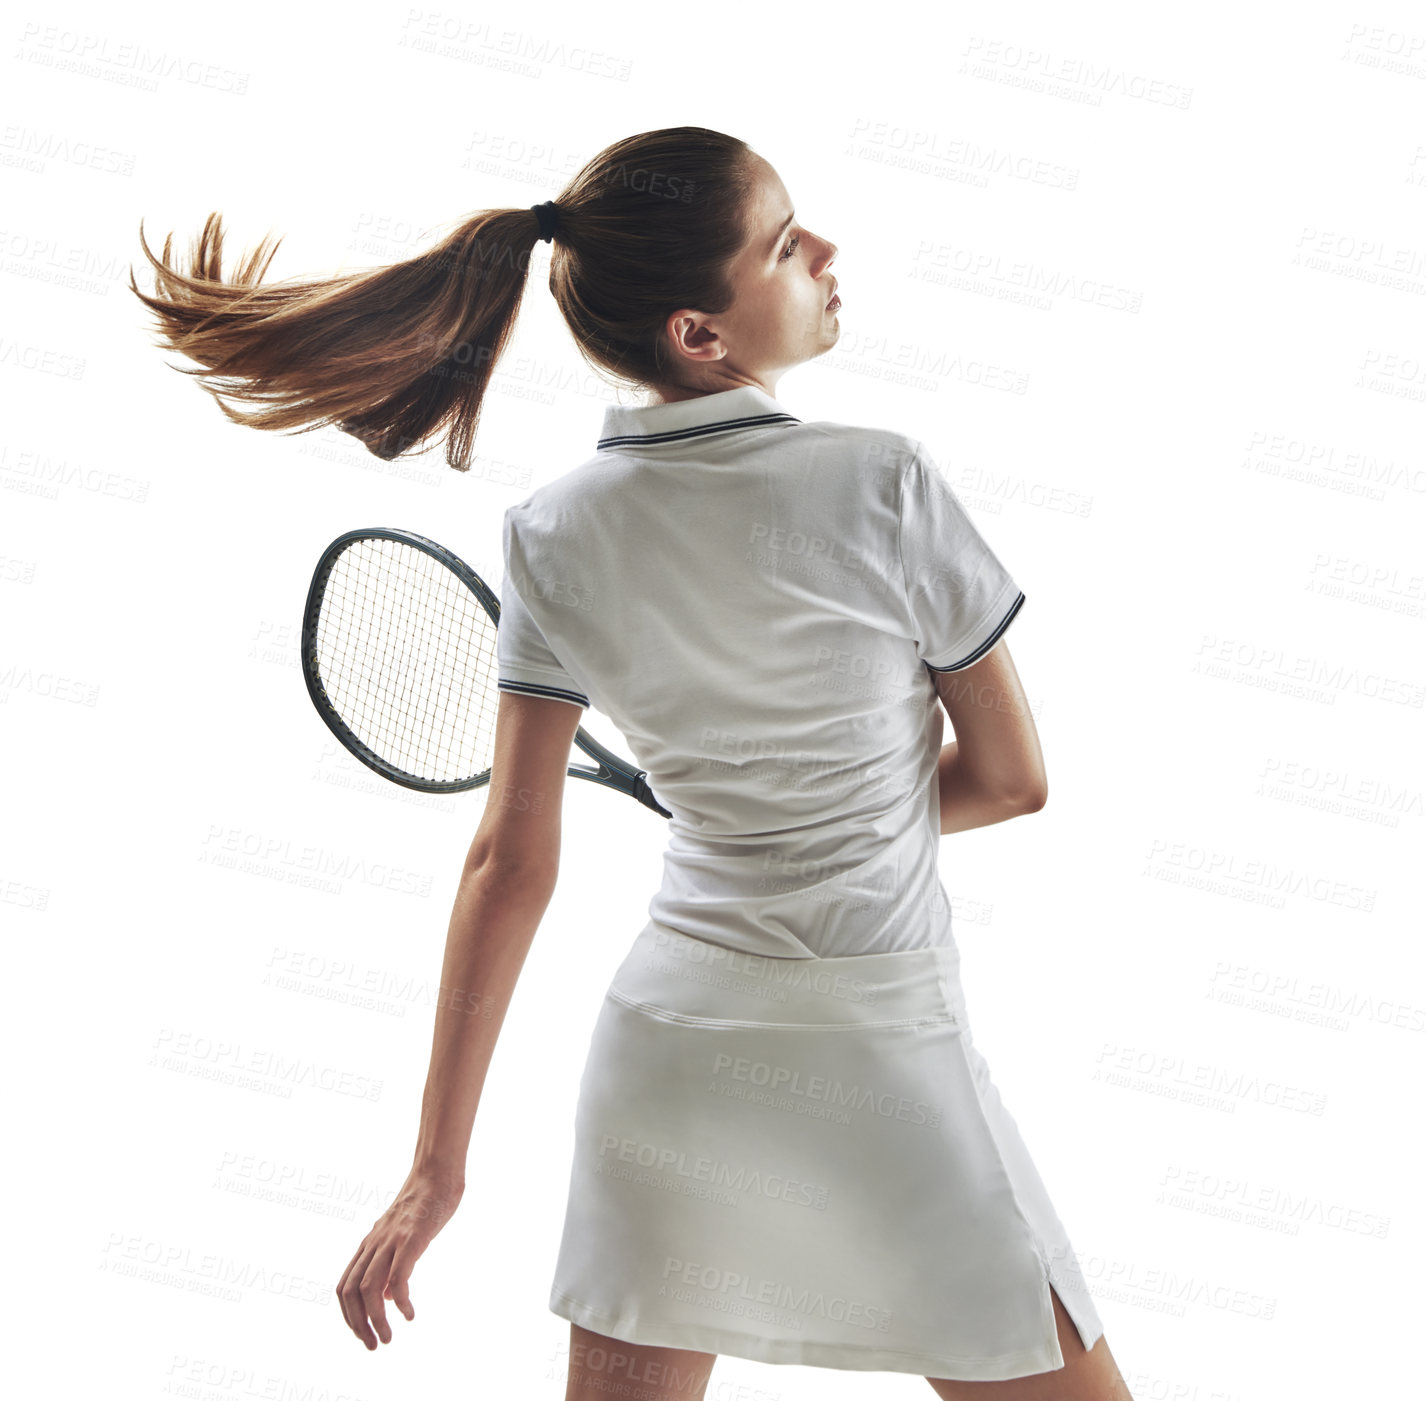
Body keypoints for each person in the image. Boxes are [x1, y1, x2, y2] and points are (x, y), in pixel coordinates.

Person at [130, 126, 1134, 1401]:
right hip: (883, 1049)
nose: (822, 252)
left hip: (672, 1057)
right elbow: (1008, 779)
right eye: (782, 243)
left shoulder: (552, 531)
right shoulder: (887, 482)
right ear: (697, 334)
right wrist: (845, 815)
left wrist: (435, 1170)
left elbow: (507, 857)